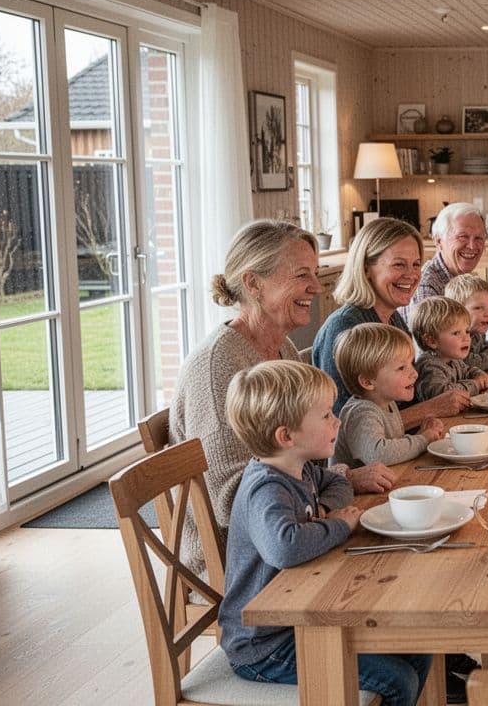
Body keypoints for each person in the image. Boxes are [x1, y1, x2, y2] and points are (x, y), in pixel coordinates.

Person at [168, 220, 395, 572]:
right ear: (254, 283)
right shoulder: (218, 367)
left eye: (316, 274)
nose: (316, 288)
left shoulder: (281, 347)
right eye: (301, 275)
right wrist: (334, 492)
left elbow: (306, 462)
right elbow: (230, 501)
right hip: (247, 562)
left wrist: (337, 482)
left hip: (299, 526)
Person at [219, 359, 432, 705]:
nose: (338, 420)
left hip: (304, 613)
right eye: (326, 416)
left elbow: (338, 482)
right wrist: (336, 524)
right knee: (398, 680)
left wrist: (319, 513)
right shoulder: (266, 489)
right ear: (286, 436)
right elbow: (284, 547)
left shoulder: (300, 469)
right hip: (265, 643)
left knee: (421, 647)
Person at [313, 217, 469, 419]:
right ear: (366, 268)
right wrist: (429, 409)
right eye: (399, 265)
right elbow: (344, 426)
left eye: (416, 264)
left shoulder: (394, 320)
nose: (412, 275)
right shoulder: (346, 326)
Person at [334, 323, 447, 468]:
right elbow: (377, 455)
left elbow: (392, 447)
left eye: (411, 364)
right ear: (368, 382)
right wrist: (423, 439)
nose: (414, 373)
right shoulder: (362, 413)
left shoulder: (387, 403)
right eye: (401, 368)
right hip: (360, 490)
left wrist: (421, 434)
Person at [406, 202, 487, 319]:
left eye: (479, 238)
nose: (472, 246)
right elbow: (431, 336)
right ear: (438, 241)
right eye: (463, 237)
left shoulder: (467, 279)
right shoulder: (427, 287)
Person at [412, 296, 488, 399]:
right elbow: (445, 394)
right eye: (456, 333)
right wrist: (476, 385)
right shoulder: (430, 366)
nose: (466, 338)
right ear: (431, 341)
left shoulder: (453, 359)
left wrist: (480, 375)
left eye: (467, 331)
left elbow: (468, 370)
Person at [444, 273, 488, 370]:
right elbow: (469, 363)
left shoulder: (476, 333)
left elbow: (481, 348)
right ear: (457, 310)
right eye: (478, 308)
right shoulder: (456, 337)